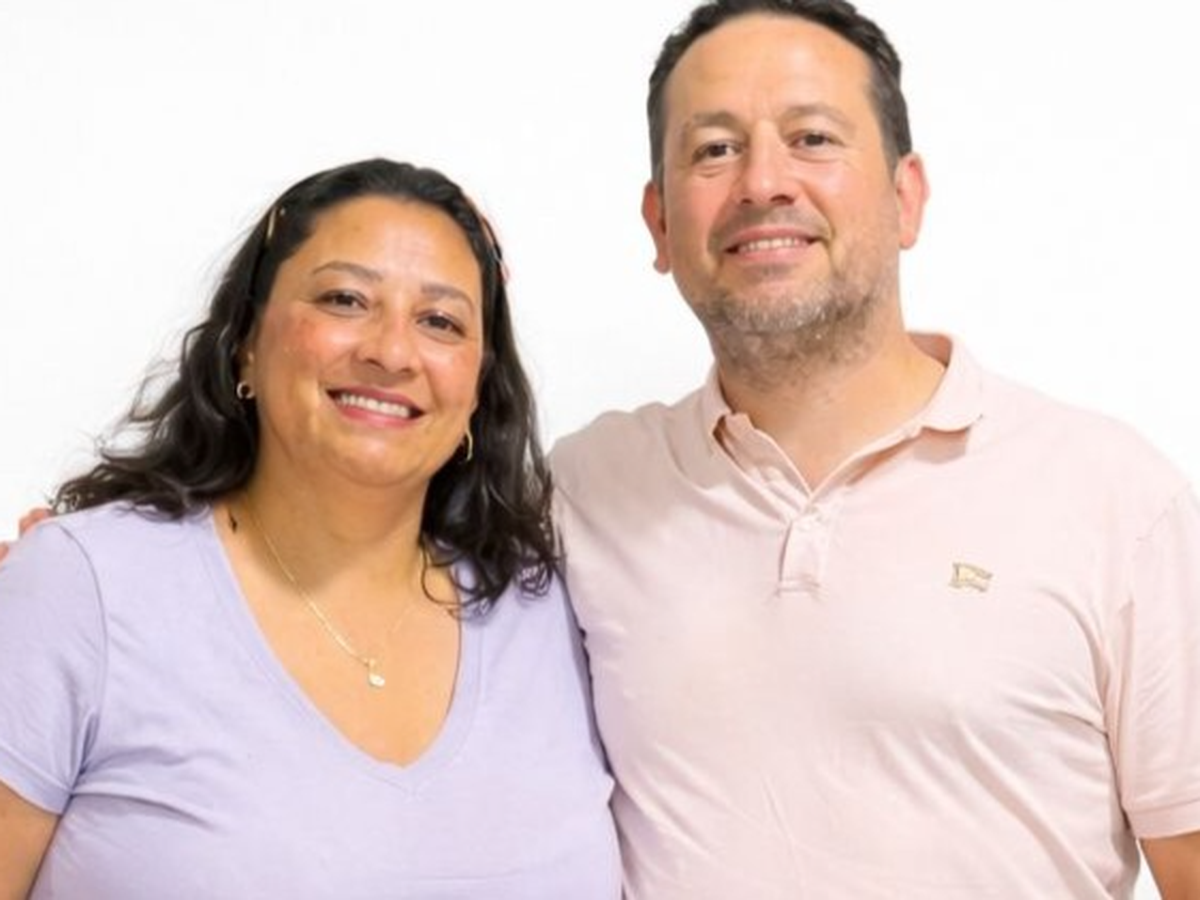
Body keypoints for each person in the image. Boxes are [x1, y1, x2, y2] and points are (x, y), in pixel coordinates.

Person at [549, 1, 1200, 898]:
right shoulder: (583, 492)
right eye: (714, 149)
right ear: (659, 223)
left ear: (906, 198)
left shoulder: (1113, 499)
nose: (762, 182)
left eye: (812, 138)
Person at [0, 159, 620, 898]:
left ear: (478, 387)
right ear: (246, 341)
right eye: (345, 299)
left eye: (440, 321)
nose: (392, 352)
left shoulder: (556, 609)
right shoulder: (83, 587)